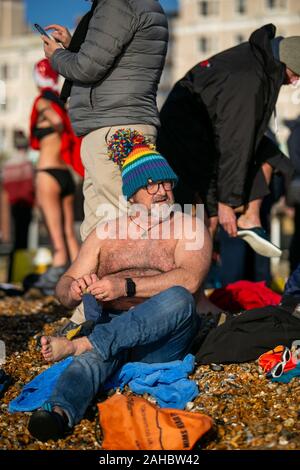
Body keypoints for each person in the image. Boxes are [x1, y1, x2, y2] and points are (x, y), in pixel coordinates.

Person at [27, 130, 212, 442]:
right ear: (132, 194)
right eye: (152, 184)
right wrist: (74, 290)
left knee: (179, 298)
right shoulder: (106, 233)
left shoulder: (189, 226)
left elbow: (190, 280)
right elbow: (64, 285)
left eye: (167, 183)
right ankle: (58, 413)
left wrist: (125, 286)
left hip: (162, 338)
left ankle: (82, 346)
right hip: (111, 324)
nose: (163, 191)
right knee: (99, 352)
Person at [40, 0, 168, 321]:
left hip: (115, 125)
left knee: (120, 223)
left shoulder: (118, 3)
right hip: (115, 123)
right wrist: (72, 46)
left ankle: (126, 316)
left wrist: (57, 56)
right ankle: (93, 310)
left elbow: (87, 68)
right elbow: (110, 58)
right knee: (102, 224)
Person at [157, 24, 297, 258]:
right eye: (296, 75)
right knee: (206, 218)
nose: (294, 83)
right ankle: (191, 281)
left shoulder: (258, 62)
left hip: (207, 132)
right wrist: (225, 202)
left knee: (271, 156)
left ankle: (249, 218)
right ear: (287, 63)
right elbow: (236, 143)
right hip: (187, 139)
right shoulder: (250, 79)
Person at [29, 58, 80, 294]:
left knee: (55, 235)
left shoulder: (42, 103)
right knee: (69, 232)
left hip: (47, 173)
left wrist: (52, 120)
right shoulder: (61, 103)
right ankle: (82, 275)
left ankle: (56, 278)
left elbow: (58, 122)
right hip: (66, 175)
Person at [2, 130, 34, 281]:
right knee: (22, 243)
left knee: (13, 244)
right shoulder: (27, 163)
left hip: (11, 207)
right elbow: (30, 188)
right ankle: (19, 276)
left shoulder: (8, 164)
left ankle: (11, 276)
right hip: (24, 207)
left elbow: (6, 189)